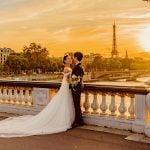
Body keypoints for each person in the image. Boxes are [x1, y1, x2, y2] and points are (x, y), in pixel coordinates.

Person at [0, 54, 75, 138]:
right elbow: (68, 80)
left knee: (63, 104)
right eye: (68, 58)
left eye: (70, 58)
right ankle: (63, 121)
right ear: (64, 61)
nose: (70, 59)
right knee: (64, 104)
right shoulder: (67, 69)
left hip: (65, 88)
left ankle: (63, 120)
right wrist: (75, 82)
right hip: (66, 88)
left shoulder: (68, 68)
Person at [71, 52, 84, 128]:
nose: (73, 58)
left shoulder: (77, 67)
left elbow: (77, 79)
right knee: (77, 105)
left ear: (76, 58)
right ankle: (80, 120)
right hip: (78, 88)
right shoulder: (81, 66)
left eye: (73, 57)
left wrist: (70, 82)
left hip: (75, 88)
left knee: (76, 105)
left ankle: (78, 121)